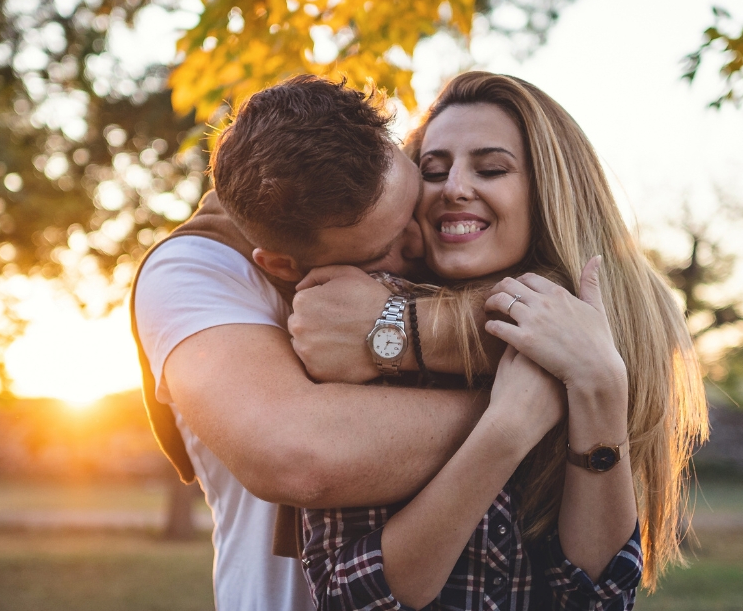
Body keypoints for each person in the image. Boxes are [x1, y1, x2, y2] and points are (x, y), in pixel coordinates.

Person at [291, 72, 709, 609]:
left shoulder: (607, 333)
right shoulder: (366, 317)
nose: (455, 188)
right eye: (433, 170)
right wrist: (506, 430)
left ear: (550, 192)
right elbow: (348, 597)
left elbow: (598, 598)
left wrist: (600, 384)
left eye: (491, 168)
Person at [131, 77, 491, 610]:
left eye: (413, 201)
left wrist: (394, 325)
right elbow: (300, 458)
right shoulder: (192, 269)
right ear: (280, 264)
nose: (421, 239)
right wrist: (522, 408)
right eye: (384, 248)